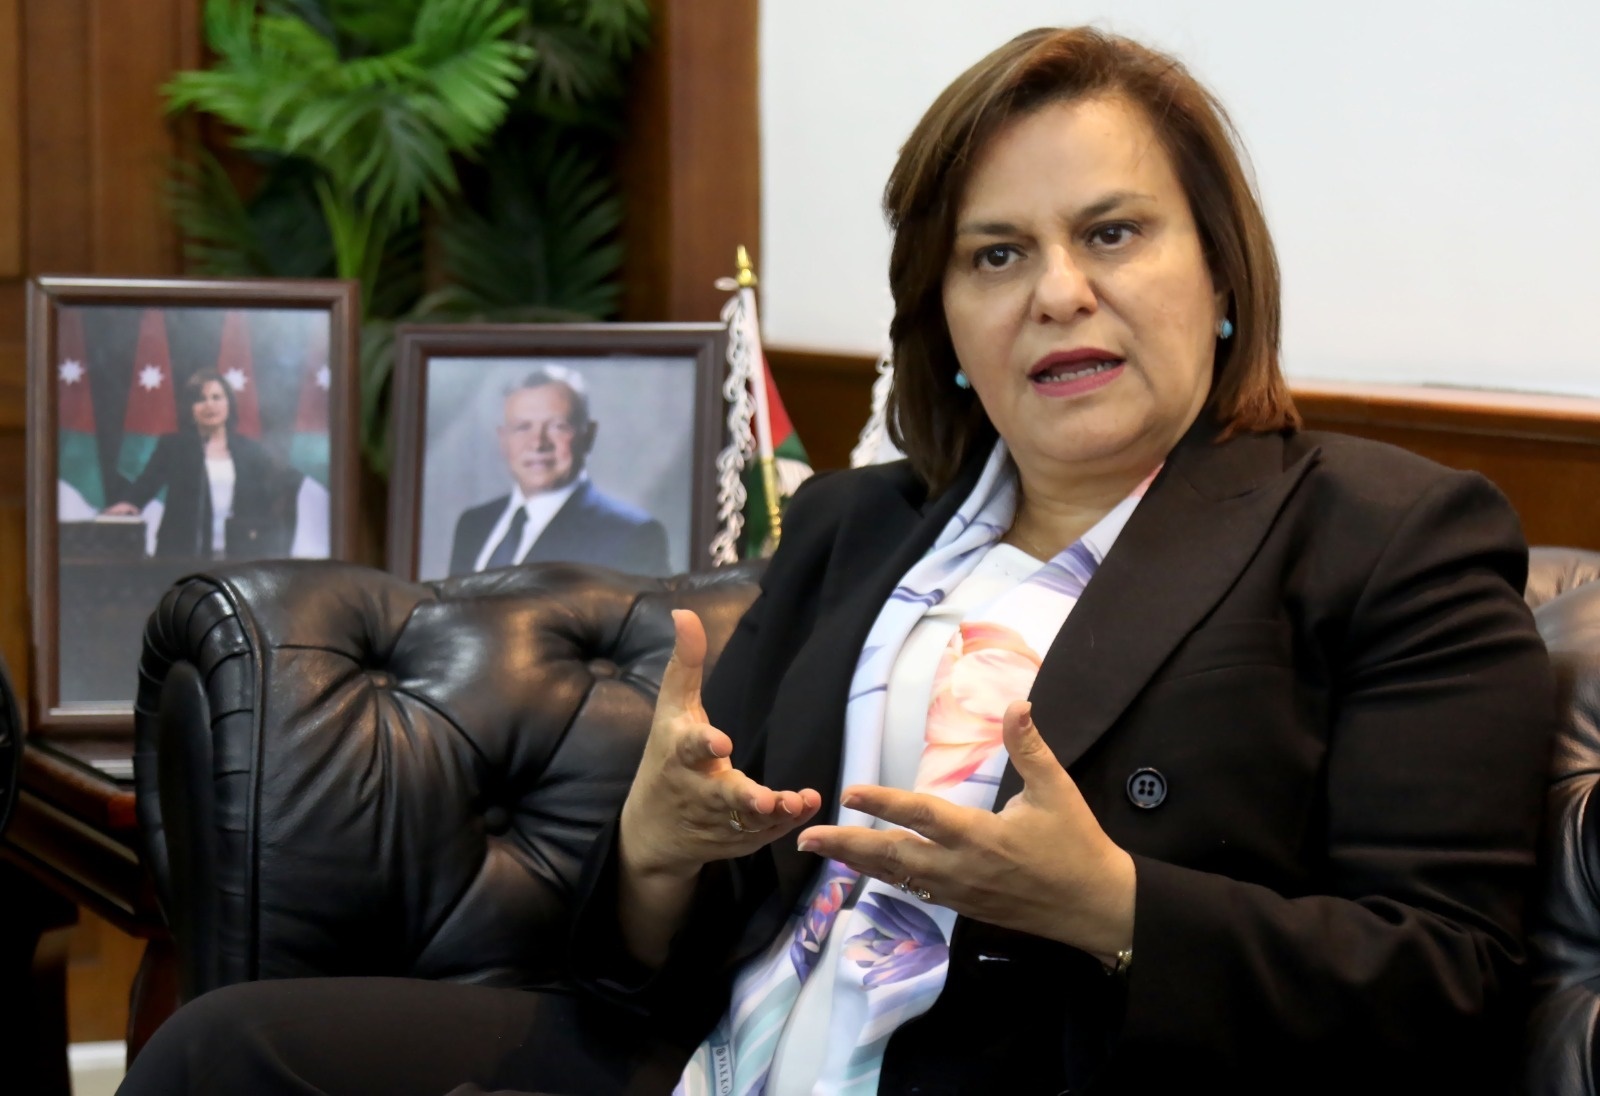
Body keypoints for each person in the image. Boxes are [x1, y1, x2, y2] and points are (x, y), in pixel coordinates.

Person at [119, 26, 1555, 1094]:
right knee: (224, 1053)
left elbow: (1449, 984)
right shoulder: (859, 525)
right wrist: (655, 850)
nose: (1060, 291)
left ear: (1222, 275)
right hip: (710, 1056)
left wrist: (1111, 908)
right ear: (947, 322)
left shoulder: (1386, 536)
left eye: (1113, 233)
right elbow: (645, 962)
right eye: (996, 255)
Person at [446, 366, 671, 578]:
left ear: (589, 435)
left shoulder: (631, 535)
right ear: (503, 438)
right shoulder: (474, 525)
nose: (537, 443)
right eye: (522, 427)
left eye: (557, 426)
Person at [104, 370, 296, 560]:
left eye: (216, 397)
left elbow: (270, 496)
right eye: (200, 399)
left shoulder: (250, 450)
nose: (209, 405)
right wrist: (129, 503)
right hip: (183, 552)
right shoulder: (175, 446)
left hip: (238, 551)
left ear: (228, 403)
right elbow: (147, 482)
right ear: (190, 408)